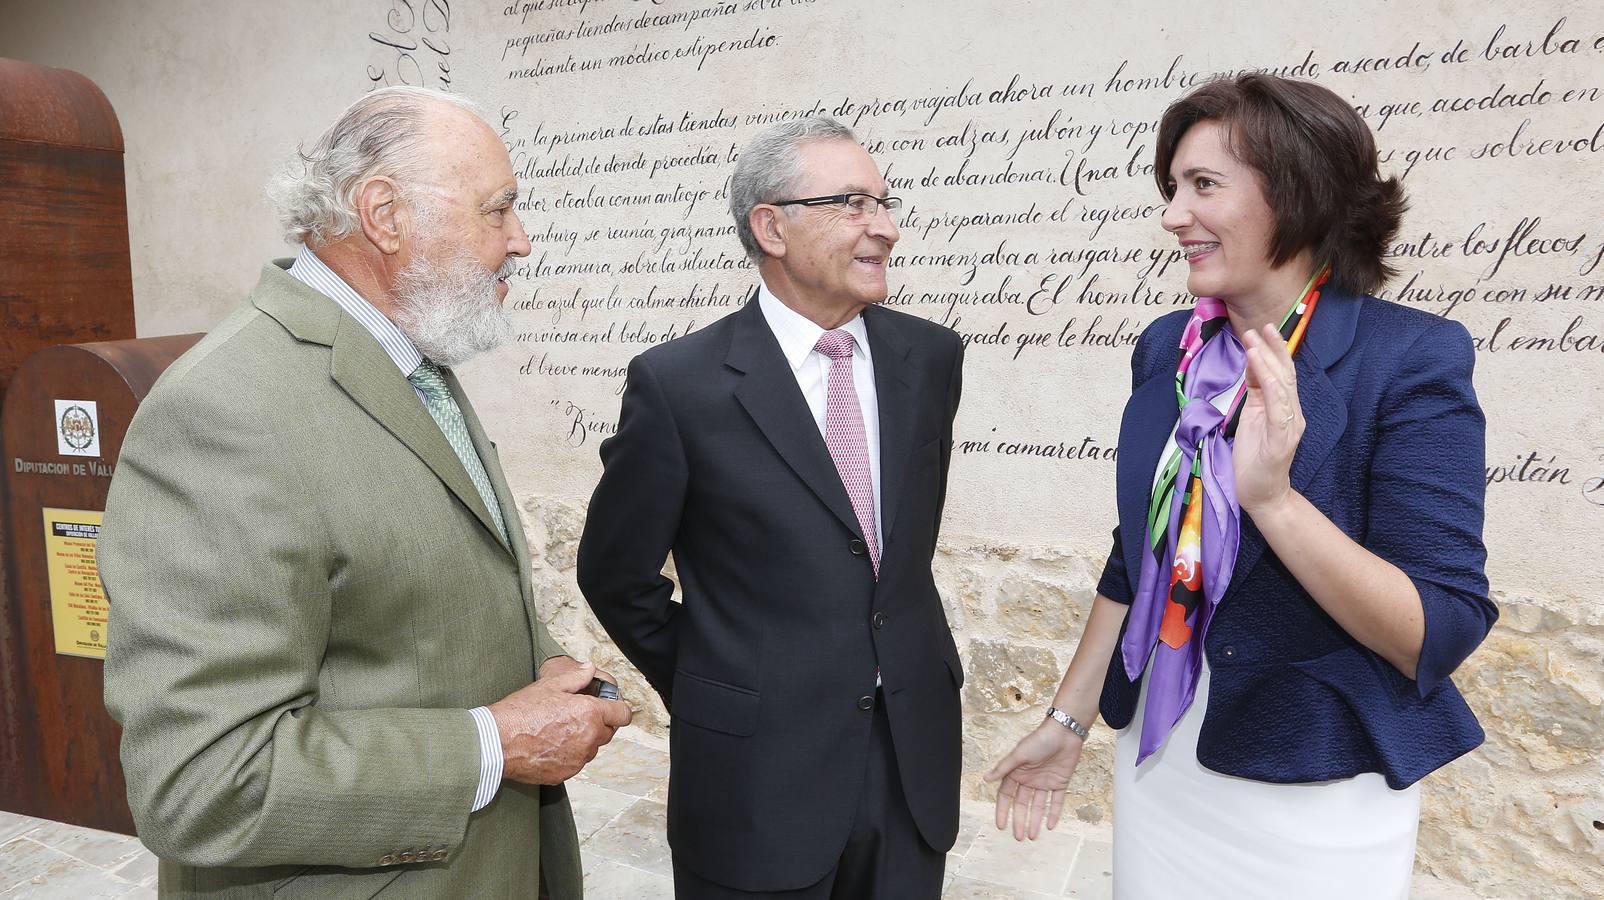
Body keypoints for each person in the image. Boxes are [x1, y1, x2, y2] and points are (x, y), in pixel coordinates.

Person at [99, 86, 631, 899]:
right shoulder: (224, 412)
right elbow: (200, 784)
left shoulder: (409, 354)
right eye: (498, 210)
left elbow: (390, 605)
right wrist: (493, 743)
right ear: (384, 215)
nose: (520, 241)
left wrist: (528, 665)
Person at [985, 74, 1495, 898]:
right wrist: (1068, 721)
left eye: (1204, 186)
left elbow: (1435, 631)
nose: (1172, 213)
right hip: (1161, 755)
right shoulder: (1167, 350)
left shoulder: (1410, 360)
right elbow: (1140, 556)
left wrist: (1273, 500)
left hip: (1312, 788)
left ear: (1297, 194)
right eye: (1173, 186)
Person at [577, 117, 965, 898]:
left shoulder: (931, 358)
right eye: (854, 203)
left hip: (910, 762)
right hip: (756, 779)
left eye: (887, 204)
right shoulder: (678, 385)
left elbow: (891, 557)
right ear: (771, 226)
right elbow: (615, 573)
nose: (884, 228)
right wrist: (715, 677)